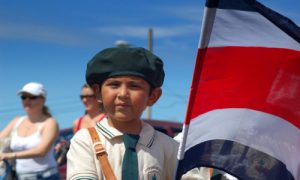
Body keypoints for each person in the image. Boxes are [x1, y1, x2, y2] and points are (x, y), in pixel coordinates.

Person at [67, 47, 196, 179]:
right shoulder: (85, 141)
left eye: (134, 86)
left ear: (153, 96)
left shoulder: (168, 147)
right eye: (114, 85)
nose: (123, 94)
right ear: (98, 92)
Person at [0, 82, 60, 180]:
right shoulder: (16, 121)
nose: (27, 100)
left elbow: (41, 151)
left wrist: (9, 155)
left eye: (32, 97)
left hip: (46, 176)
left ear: (43, 99)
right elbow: (0, 140)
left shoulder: (50, 123)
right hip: (21, 177)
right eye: (23, 97)